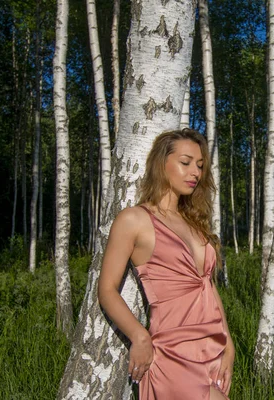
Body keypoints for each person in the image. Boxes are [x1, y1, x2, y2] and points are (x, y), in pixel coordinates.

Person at [98, 129, 234, 400]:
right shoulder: (134, 219)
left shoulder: (195, 222)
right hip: (173, 354)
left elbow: (207, 286)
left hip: (212, 349)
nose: (195, 172)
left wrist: (228, 344)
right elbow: (107, 289)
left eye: (200, 165)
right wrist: (139, 336)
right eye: (185, 163)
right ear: (162, 163)